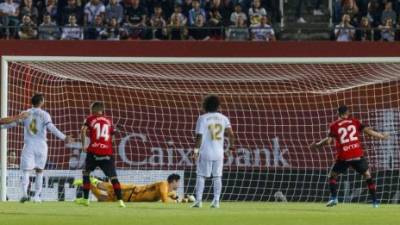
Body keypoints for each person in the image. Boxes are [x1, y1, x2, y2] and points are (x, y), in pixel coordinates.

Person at [311, 105, 389, 208]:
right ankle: (375, 202)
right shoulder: (355, 122)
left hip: (344, 156)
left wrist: (317, 145)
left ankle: (334, 198)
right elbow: (368, 132)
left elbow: (329, 141)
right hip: (357, 155)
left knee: (332, 175)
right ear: (347, 113)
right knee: (367, 175)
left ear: (338, 113)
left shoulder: (334, 125)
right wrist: (382, 136)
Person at [1, 93, 71, 203]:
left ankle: (24, 194)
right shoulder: (45, 114)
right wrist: (64, 137)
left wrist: (2, 127)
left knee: (26, 171)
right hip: (41, 145)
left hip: (28, 145)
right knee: (39, 171)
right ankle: (37, 197)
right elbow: (51, 128)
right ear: (41, 102)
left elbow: (12, 124)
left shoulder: (25, 113)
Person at [76, 101, 125, 207]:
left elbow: (83, 130)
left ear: (94, 110)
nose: (90, 111)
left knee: (86, 173)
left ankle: (85, 199)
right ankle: (121, 201)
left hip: (93, 151)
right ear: (102, 110)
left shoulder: (90, 118)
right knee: (113, 177)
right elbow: (113, 138)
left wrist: (84, 144)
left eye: (91, 109)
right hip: (107, 152)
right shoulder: (109, 121)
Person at [191, 95, 234, 208]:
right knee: (217, 177)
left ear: (205, 105)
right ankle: (216, 201)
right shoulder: (224, 118)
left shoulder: (203, 118)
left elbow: (199, 136)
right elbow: (231, 134)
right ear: (218, 106)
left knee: (201, 176)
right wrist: (230, 148)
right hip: (219, 153)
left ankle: (199, 201)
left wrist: (195, 151)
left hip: (206, 152)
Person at [73, 174, 194, 203]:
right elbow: (164, 200)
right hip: (131, 191)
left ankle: (85, 184)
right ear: (174, 181)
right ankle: (90, 179)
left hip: (130, 198)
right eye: (178, 182)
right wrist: (177, 201)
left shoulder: (169, 190)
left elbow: (167, 196)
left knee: (101, 198)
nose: (179, 185)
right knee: (109, 187)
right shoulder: (163, 184)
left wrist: (180, 199)